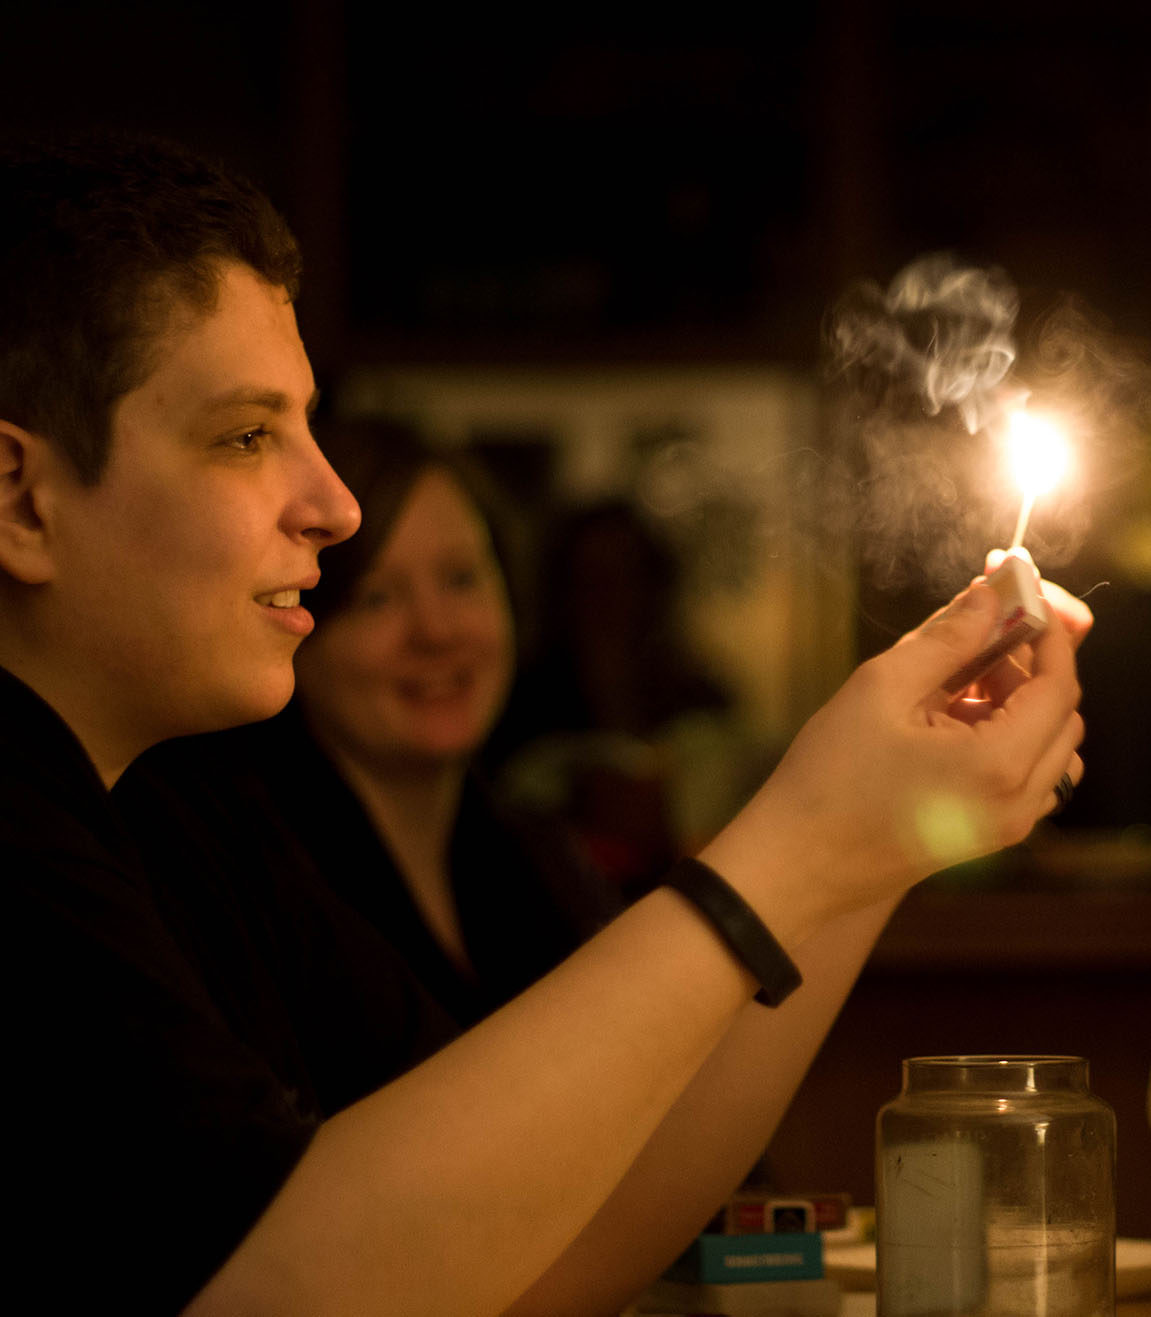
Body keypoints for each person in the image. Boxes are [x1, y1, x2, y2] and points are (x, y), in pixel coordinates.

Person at [0, 135, 1087, 1313]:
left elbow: (544, 1242)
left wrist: (869, 853)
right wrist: (803, 838)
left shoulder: (182, 824)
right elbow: (283, 1290)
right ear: (20, 501)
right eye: (246, 435)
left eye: (307, 428)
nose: (334, 505)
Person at [130, 420, 623, 1026]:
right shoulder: (234, 885)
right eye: (376, 598)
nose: (436, 631)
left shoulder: (542, 859)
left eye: (461, 579)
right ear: (294, 626)